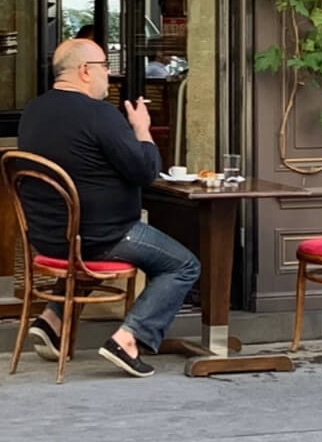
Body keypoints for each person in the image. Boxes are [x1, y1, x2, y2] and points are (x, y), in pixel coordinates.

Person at [17, 38, 200, 377]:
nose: (110, 75)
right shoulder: (99, 115)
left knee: (83, 247)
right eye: (106, 66)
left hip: (48, 237)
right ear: (85, 71)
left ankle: (52, 318)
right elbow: (145, 172)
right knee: (184, 265)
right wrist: (142, 129)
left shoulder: (34, 110)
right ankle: (129, 338)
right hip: (106, 236)